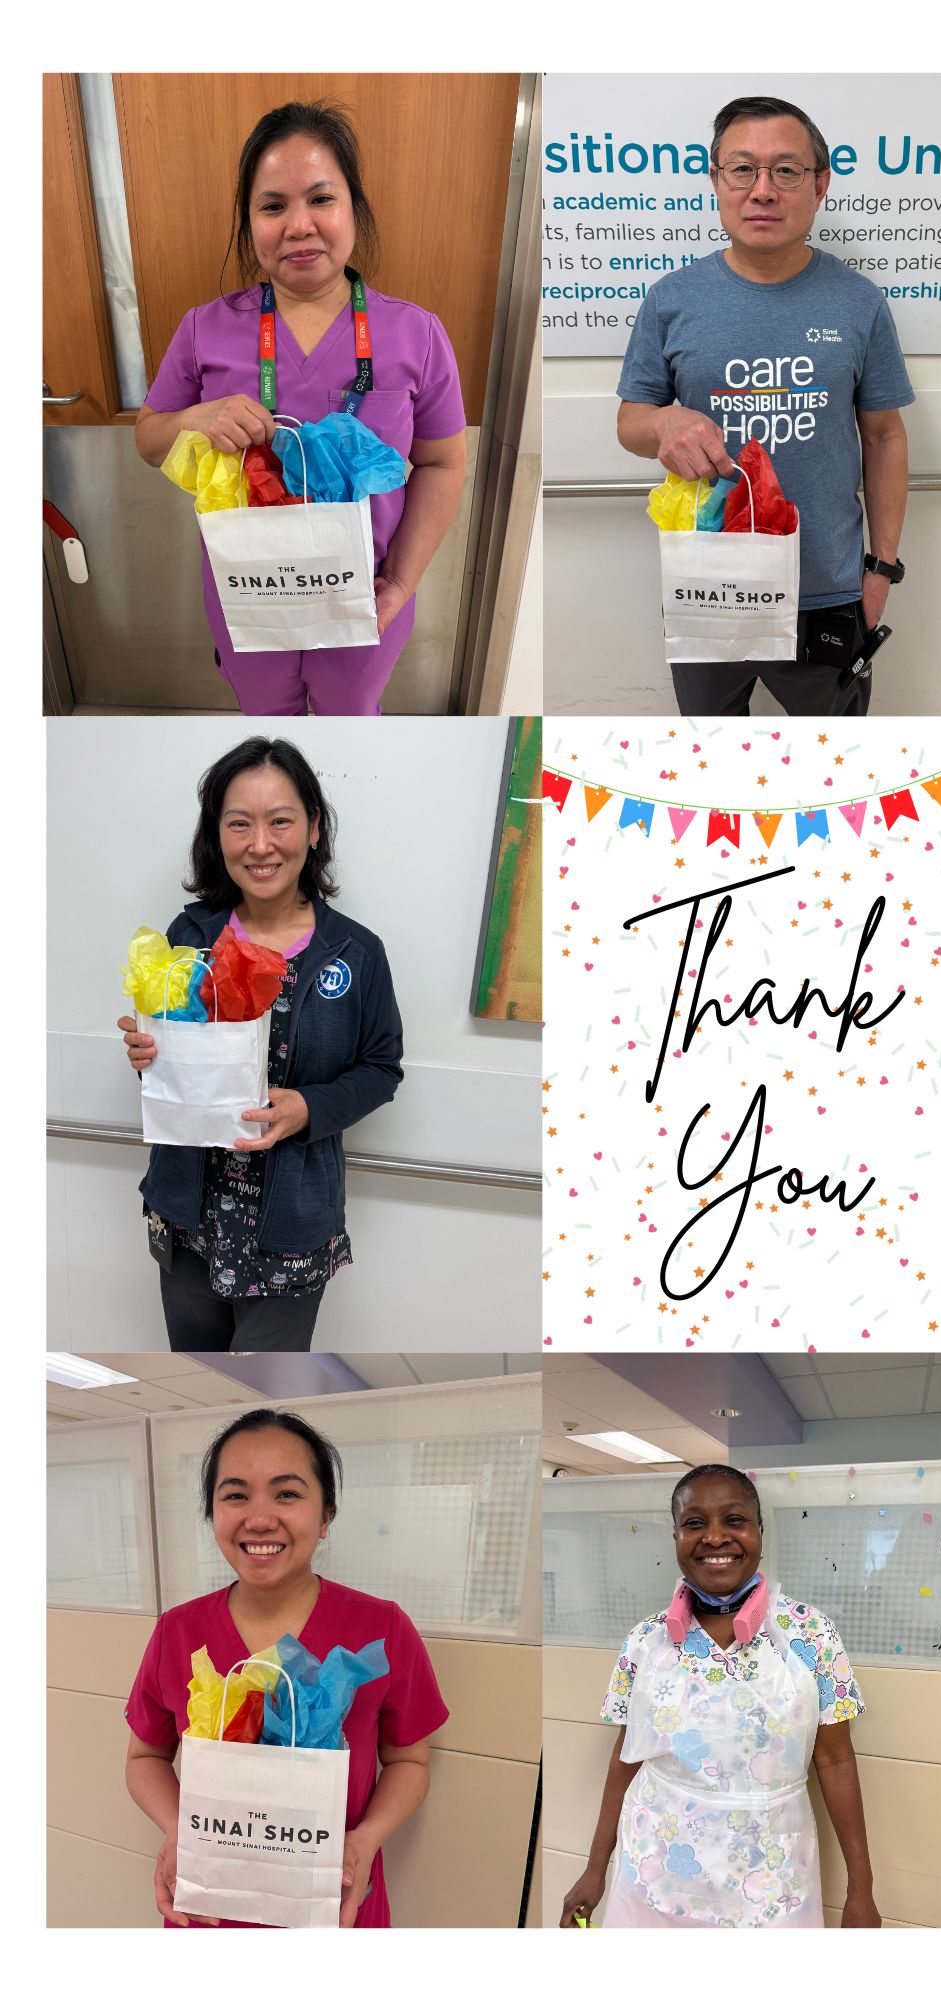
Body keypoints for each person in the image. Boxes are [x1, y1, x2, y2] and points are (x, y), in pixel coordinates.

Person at [134, 100, 467, 716]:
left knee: (350, 721)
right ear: (249, 223)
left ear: (353, 209)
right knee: (267, 725)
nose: (299, 225)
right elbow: (149, 440)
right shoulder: (206, 329)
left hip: (365, 598)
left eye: (321, 199)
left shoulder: (416, 334)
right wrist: (193, 419)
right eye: (272, 206)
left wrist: (399, 583)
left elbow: (442, 462)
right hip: (249, 594)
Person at [618, 94, 913, 718]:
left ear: (820, 185)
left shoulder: (859, 302)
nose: (763, 190)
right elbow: (631, 422)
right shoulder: (671, 300)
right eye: (742, 170)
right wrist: (664, 421)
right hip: (708, 584)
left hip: (827, 588)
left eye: (785, 170)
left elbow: (885, 436)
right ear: (716, 181)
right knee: (711, 756)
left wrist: (881, 569)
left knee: (835, 758)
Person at [116, 737, 403, 1351]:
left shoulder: (356, 952)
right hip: (188, 1212)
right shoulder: (190, 933)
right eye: (239, 823)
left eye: (280, 821)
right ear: (217, 835)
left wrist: (308, 1108)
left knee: (272, 1384)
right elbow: (178, 1060)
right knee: (197, 1375)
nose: (260, 844)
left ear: (314, 828)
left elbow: (382, 1068)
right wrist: (147, 1056)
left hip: (292, 1222)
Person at [124, 1407, 448, 1927]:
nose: (259, 1519)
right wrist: (177, 1827)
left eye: (287, 1494)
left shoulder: (382, 1630)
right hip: (208, 1911)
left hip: (334, 1904)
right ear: (213, 1514)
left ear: (325, 1517)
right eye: (235, 1495)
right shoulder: (177, 1632)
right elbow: (145, 1756)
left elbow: (410, 1761)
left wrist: (366, 1840)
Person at [561, 1463, 881, 1928]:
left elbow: (835, 1761)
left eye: (734, 1520)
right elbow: (625, 1758)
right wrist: (595, 1868)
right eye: (694, 1523)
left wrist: (861, 1891)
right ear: (676, 1536)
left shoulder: (811, 1635)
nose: (714, 1537)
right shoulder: (646, 1641)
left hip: (770, 1882)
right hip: (657, 1873)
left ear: (759, 1532)